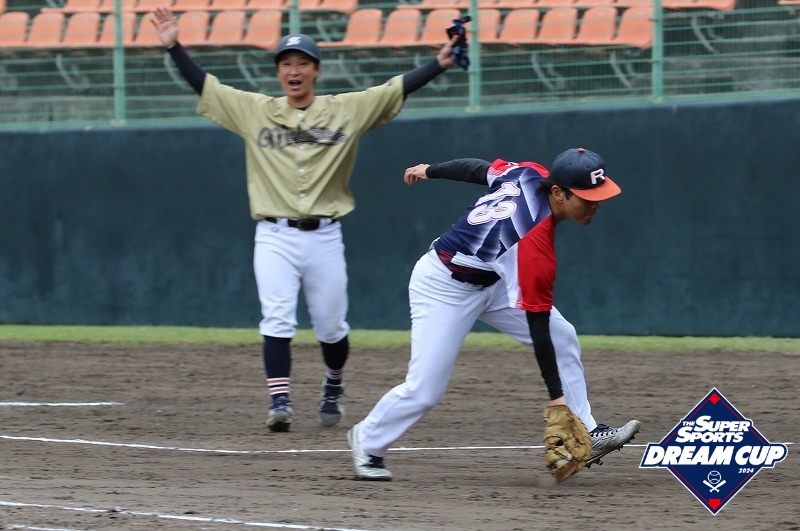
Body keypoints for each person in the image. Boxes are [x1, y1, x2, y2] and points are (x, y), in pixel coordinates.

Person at [150, 7, 461, 432]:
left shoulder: (345, 110)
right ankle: (280, 401)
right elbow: (207, 86)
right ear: (279, 72)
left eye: (302, 63)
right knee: (277, 317)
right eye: (286, 63)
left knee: (331, 325)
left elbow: (393, 89)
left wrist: (439, 64)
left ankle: (333, 383)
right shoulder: (255, 110)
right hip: (273, 235)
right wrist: (174, 46)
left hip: (324, 236)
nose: (293, 70)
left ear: (316, 70)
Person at [347, 148, 641, 480]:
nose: (596, 204)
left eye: (599, 195)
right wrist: (556, 399)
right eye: (587, 197)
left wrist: (431, 169)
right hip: (444, 286)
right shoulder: (530, 242)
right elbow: (537, 325)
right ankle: (367, 440)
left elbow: (478, 169)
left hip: (493, 278)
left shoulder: (528, 173)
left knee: (563, 336)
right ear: (559, 192)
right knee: (424, 389)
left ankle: (588, 430)